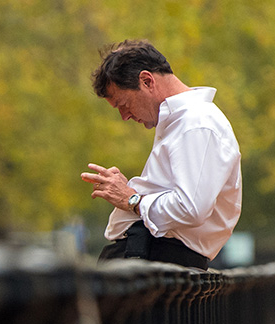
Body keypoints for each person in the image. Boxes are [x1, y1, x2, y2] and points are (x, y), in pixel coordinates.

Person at [80, 40, 241, 269]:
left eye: (124, 104)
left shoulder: (195, 122)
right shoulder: (183, 122)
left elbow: (190, 208)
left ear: (147, 81)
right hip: (154, 257)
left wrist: (132, 199)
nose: (125, 117)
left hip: (158, 259)